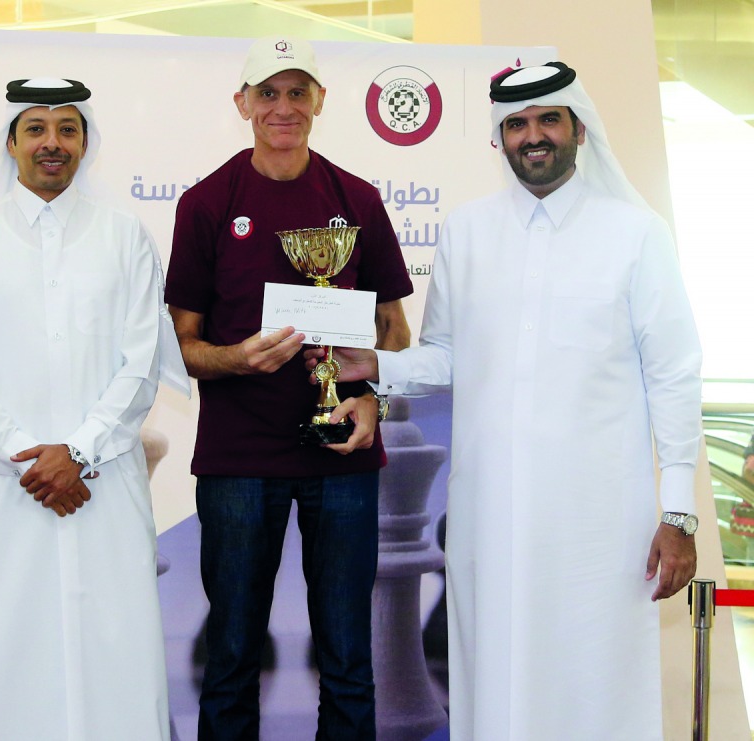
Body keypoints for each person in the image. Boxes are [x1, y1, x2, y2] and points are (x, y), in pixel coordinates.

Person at [320, 61, 702, 740]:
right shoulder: (467, 231)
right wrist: (378, 364)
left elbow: (673, 376)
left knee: (596, 677)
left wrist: (678, 513)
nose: (533, 136)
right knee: (495, 677)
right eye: (516, 124)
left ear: (578, 129)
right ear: (499, 138)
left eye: (548, 119)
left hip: (600, 525)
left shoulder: (636, 235)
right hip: (488, 515)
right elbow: (447, 355)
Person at [164, 36, 413, 740]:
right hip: (238, 461)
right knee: (235, 654)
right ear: (242, 103)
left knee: (347, 656)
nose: (283, 107)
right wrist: (236, 359)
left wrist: (371, 397)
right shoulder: (208, 203)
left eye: (297, 92)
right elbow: (182, 344)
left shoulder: (356, 199)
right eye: (267, 92)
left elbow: (393, 332)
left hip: (344, 459)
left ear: (319, 103)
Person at [0, 78, 189, 741]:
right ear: (11, 142)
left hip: (98, 485)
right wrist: (28, 455)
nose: (52, 143)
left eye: (67, 129)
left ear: (85, 143)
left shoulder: (125, 236)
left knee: (114, 656)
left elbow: (141, 363)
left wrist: (77, 452)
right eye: (36, 129)